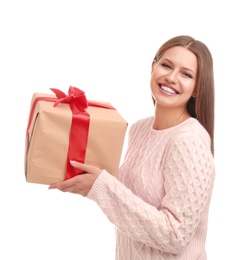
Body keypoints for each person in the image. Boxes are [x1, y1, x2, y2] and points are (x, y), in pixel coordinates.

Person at [49, 35, 216, 260]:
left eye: (186, 74)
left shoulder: (188, 141)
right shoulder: (140, 129)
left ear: (197, 88)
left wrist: (102, 187)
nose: (172, 77)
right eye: (166, 65)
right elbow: (132, 203)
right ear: (153, 66)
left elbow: (175, 235)